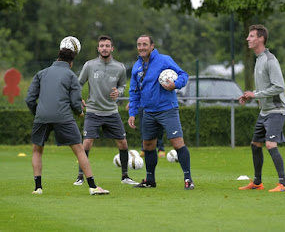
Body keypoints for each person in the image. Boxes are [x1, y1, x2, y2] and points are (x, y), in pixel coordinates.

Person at [25, 48, 109, 195]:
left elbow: (29, 99)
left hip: (41, 117)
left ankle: (37, 188)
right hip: (63, 117)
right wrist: (79, 112)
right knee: (79, 150)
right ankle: (93, 186)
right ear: (71, 63)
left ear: (57, 58)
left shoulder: (41, 73)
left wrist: (38, 113)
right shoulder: (71, 75)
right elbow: (75, 101)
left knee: (37, 150)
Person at [128, 34, 194, 190]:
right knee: (148, 145)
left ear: (152, 46)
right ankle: (150, 180)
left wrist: (175, 84)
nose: (142, 47)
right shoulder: (137, 67)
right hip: (148, 111)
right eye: (139, 44)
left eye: (145, 44)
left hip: (167, 109)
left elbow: (184, 75)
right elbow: (134, 91)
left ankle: (188, 179)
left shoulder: (164, 60)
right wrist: (132, 112)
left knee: (177, 143)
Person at [73, 35, 138, 186]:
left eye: (107, 46)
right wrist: (77, 98)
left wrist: (119, 92)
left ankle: (125, 176)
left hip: (111, 112)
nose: (104, 48)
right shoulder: (89, 65)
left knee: (122, 143)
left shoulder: (120, 67)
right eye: (101, 46)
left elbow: (122, 85)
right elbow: (78, 84)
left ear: (112, 48)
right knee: (87, 143)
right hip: (93, 111)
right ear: (98, 48)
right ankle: (80, 176)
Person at [238, 24, 285, 192]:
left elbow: (279, 87)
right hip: (264, 111)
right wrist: (251, 93)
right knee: (255, 144)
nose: (248, 39)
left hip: (276, 110)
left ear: (261, 39)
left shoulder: (270, 60)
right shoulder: (259, 59)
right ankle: (257, 183)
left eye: (251, 36)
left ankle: (283, 184)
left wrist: (256, 95)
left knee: (270, 144)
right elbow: (264, 88)